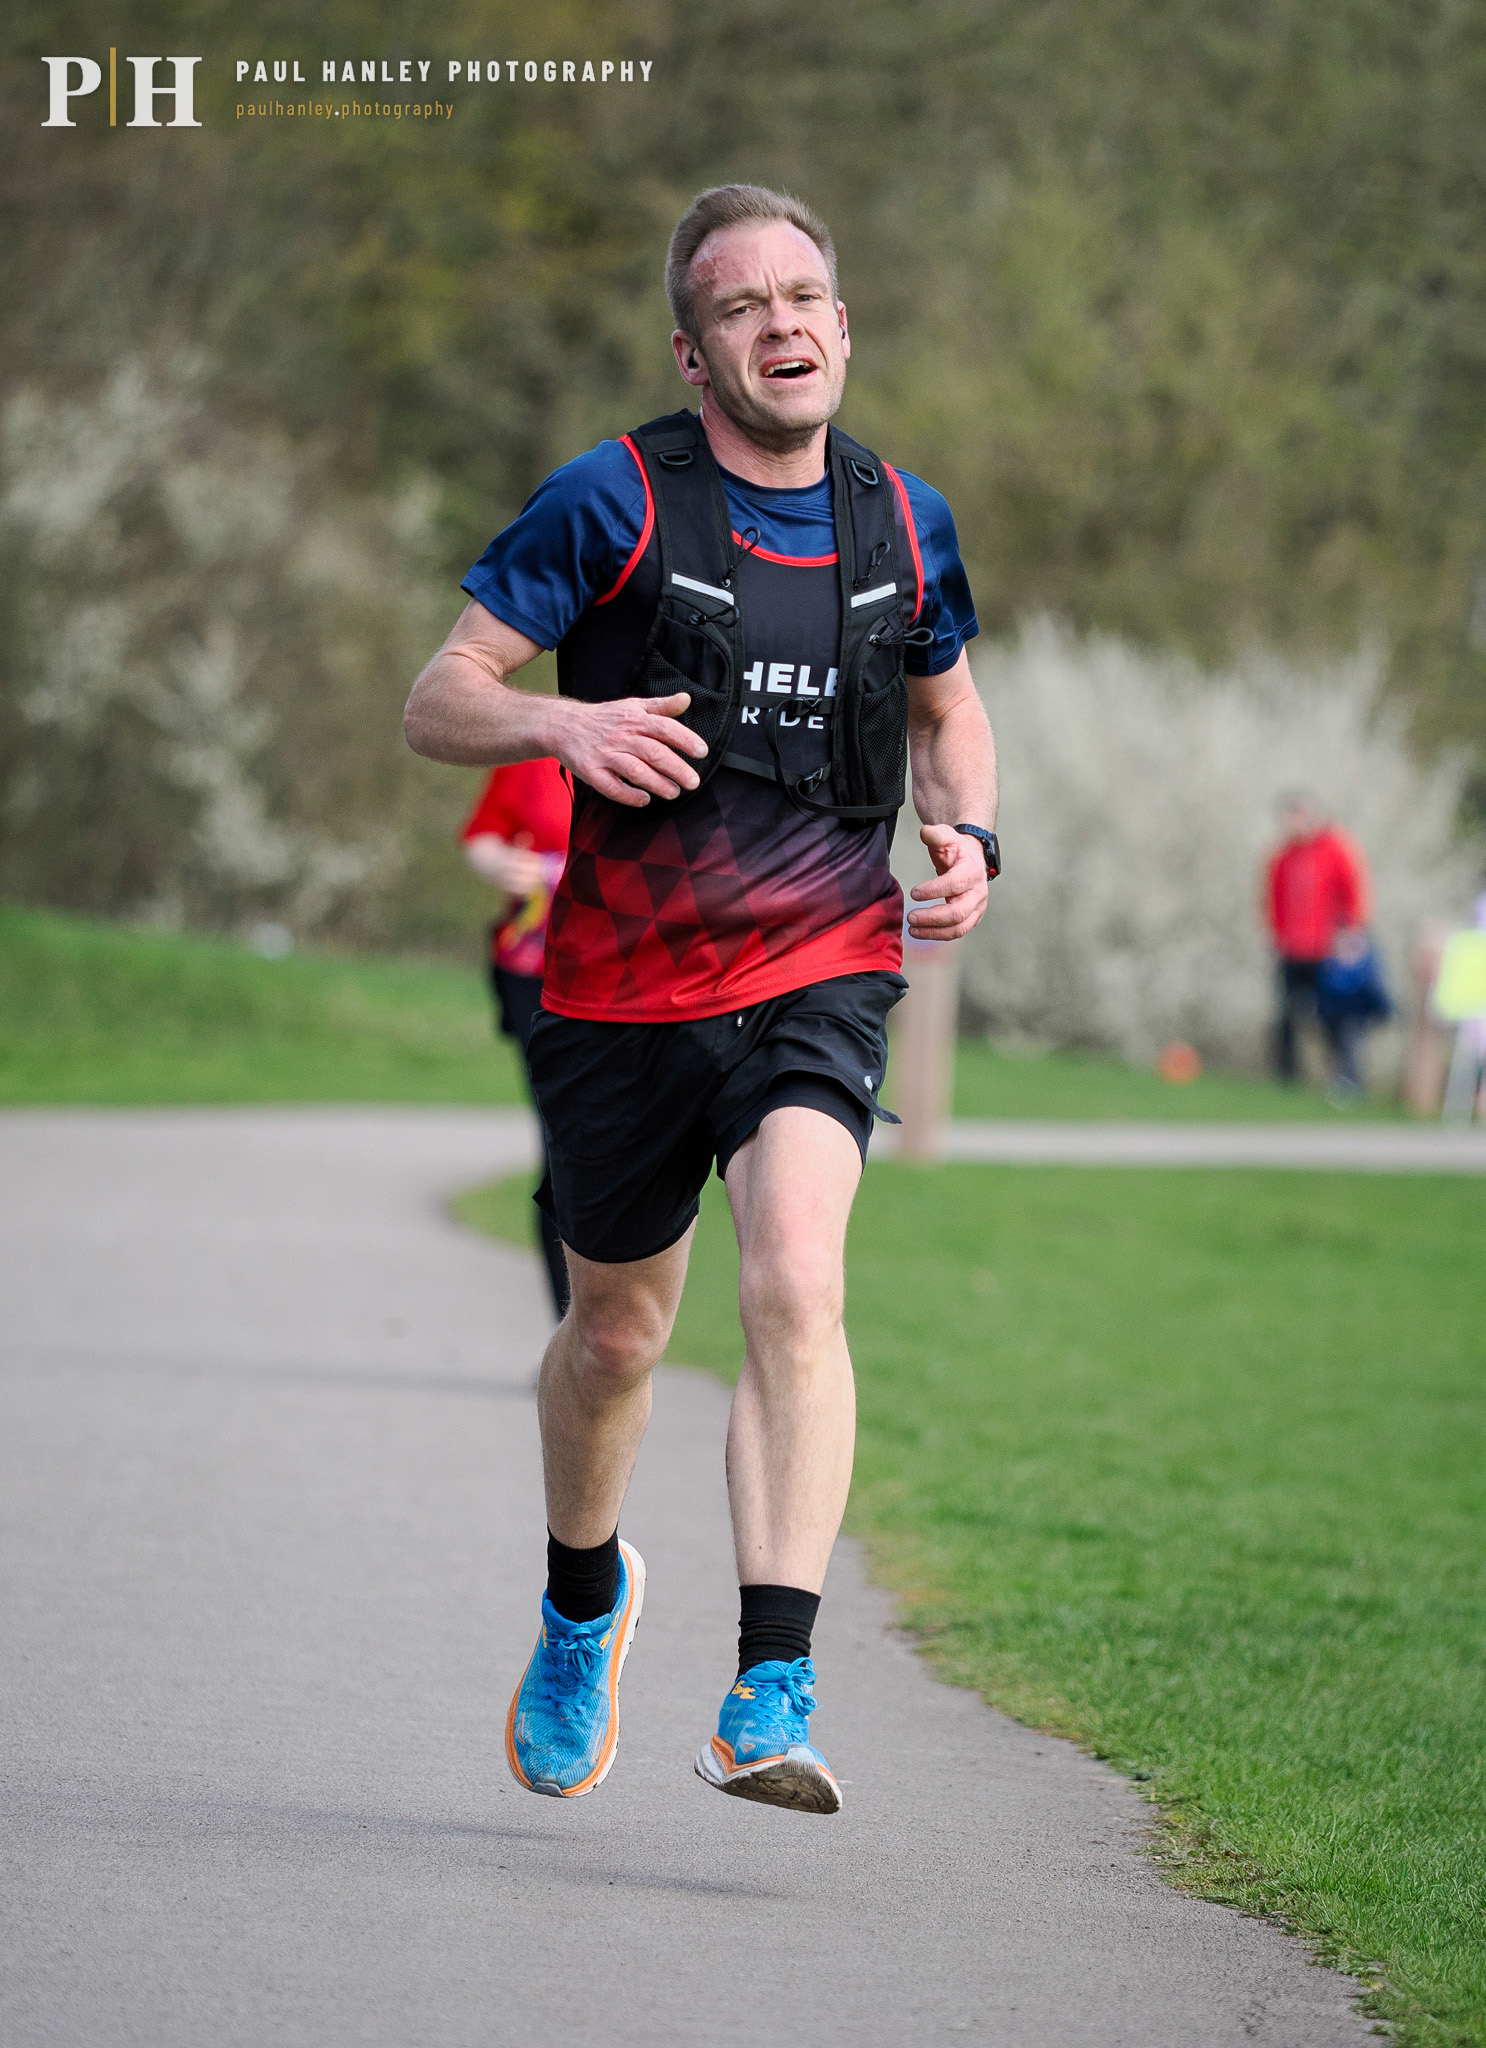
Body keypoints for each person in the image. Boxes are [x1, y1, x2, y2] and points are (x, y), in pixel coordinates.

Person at [403, 183, 998, 1815]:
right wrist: (558, 731)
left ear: (847, 323)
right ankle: (583, 1598)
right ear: (694, 346)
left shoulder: (904, 521)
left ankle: (773, 1682)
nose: (784, 325)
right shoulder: (616, 500)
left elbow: (952, 715)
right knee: (615, 1334)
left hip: (822, 963)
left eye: (808, 295)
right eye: (744, 307)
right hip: (620, 987)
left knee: (798, 1277)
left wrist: (972, 831)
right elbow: (440, 694)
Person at [460, 757, 573, 1316]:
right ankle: (569, 1332)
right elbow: (481, 835)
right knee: (562, 1143)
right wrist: (504, 863)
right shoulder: (537, 747)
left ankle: (611, 1336)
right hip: (535, 973)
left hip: (635, 976)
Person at [1263, 791, 1373, 1098]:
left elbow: (1353, 891)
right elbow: (1275, 900)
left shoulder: (1334, 848)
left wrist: (1352, 932)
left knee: (1335, 1018)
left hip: (1327, 949)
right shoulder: (1283, 856)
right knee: (1286, 1016)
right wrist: (1275, 934)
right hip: (1292, 949)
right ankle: (1286, 1079)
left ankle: (1345, 1077)